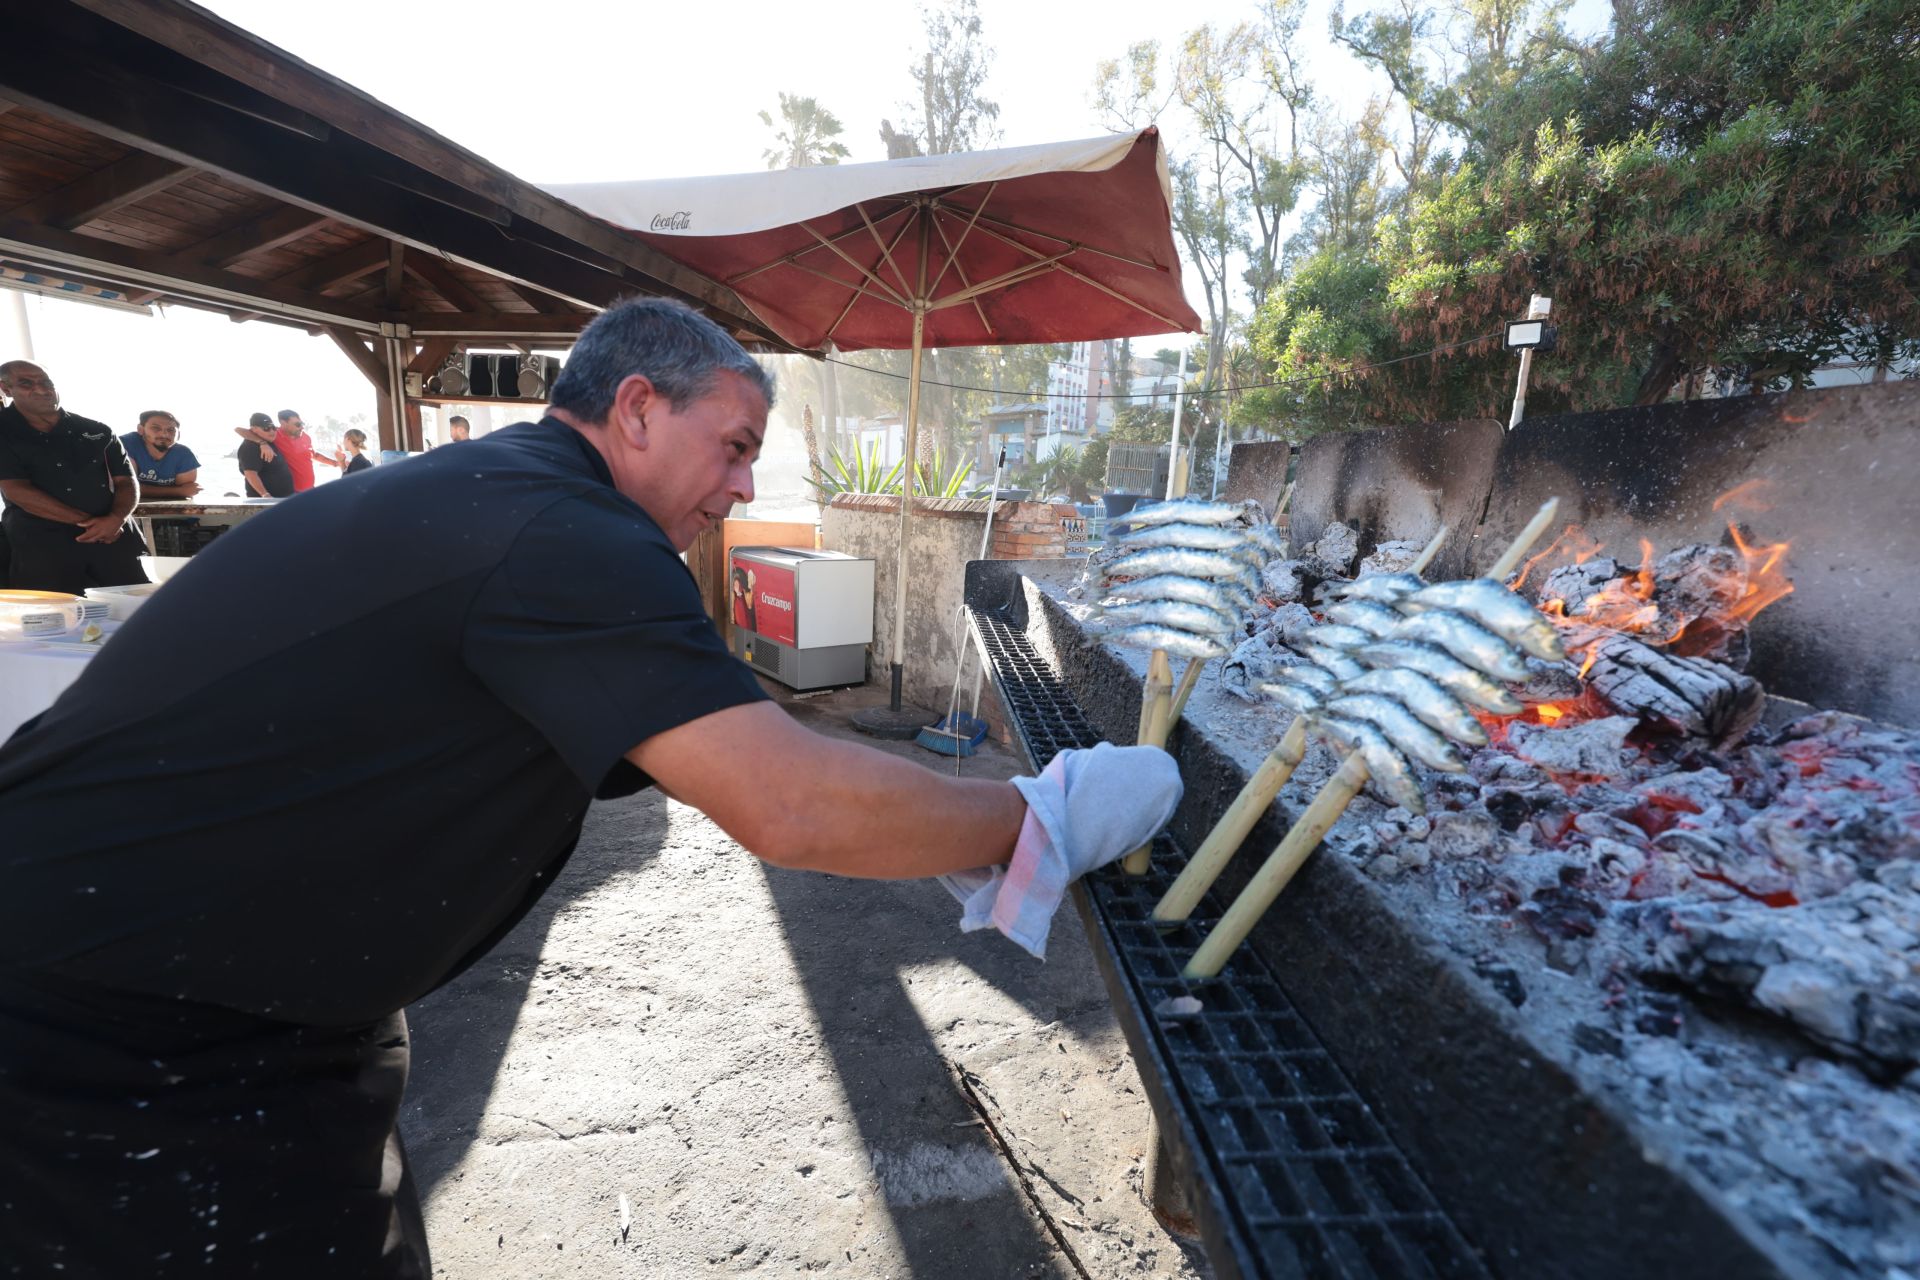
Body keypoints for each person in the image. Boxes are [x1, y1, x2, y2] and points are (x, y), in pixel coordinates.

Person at [0, 298, 1177, 1278]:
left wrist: (975, 818)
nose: (741, 482)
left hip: (229, 1001)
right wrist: (1043, 815)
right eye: (735, 443)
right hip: (113, 1027)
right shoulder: (561, 533)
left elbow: (754, 750)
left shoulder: (506, 500)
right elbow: (796, 802)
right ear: (636, 408)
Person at [0, 360, 148, 593]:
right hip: (42, 543)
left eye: (46, 382)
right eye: (26, 383)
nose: (41, 389)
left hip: (113, 534)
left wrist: (116, 518)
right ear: (6, 389)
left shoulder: (98, 429)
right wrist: (91, 524)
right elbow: (15, 489)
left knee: (136, 607)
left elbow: (126, 481)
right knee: (52, 619)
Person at [234, 408, 340, 493]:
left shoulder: (306, 437)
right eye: (297, 424)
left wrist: (336, 463)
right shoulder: (275, 435)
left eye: (302, 424)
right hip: (293, 493)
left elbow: (313, 455)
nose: (301, 427)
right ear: (283, 423)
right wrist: (262, 443)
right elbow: (239, 430)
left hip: (310, 490)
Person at [120, 409, 201, 500]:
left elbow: (188, 491)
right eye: (156, 428)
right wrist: (177, 491)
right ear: (141, 429)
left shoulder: (185, 455)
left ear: (178, 435)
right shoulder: (126, 444)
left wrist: (180, 491)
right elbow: (126, 488)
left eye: (171, 430)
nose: (164, 434)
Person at [236, 410, 295, 498]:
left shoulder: (268, 441)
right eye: (266, 428)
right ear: (254, 429)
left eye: (273, 428)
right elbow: (250, 473)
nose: (271, 431)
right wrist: (265, 495)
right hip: (267, 501)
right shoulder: (250, 446)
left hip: (282, 499)